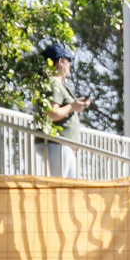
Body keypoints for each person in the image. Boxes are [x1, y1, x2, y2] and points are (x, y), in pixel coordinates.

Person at [43, 42, 89, 178]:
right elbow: (51, 113)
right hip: (57, 144)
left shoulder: (57, 84)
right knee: (61, 189)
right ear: (60, 62)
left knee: (68, 190)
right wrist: (71, 107)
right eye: (68, 60)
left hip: (63, 145)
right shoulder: (53, 84)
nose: (70, 64)